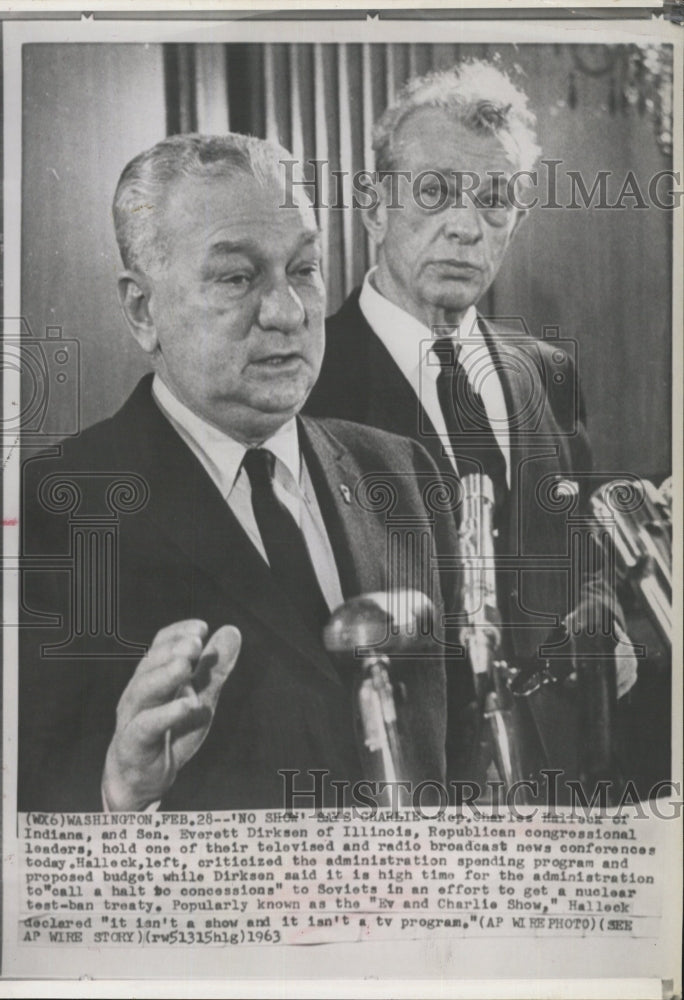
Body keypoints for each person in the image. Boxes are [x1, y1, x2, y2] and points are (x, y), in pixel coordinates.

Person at [18, 133, 466, 813]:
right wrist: (119, 791)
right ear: (143, 310)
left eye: (305, 269)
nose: (287, 313)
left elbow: (456, 752)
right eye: (237, 277)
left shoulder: (404, 472)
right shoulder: (48, 513)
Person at [306, 61, 637, 785]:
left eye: (494, 201)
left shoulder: (547, 372)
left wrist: (599, 613)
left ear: (517, 219)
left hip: (561, 782)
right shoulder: (307, 388)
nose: (464, 225)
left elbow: (575, 540)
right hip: (403, 791)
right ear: (371, 204)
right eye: (433, 192)